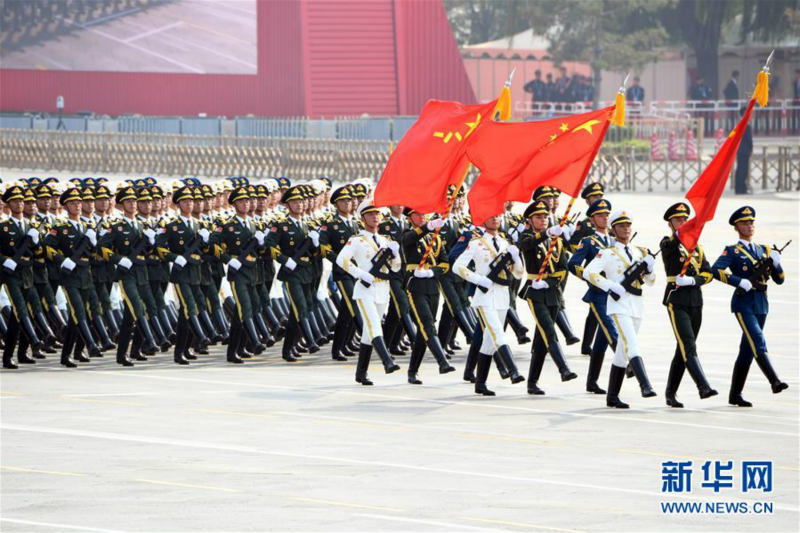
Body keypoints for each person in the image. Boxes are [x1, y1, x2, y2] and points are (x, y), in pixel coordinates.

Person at [711, 206, 788, 407]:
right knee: (757, 340)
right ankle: (774, 380)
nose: (750, 226)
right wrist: (738, 281)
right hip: (743, 303)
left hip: (761, 303)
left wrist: (777, 265)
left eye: (752, 222)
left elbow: (779, 280)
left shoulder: (765, 250)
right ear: (737, 226)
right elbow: (715, 270)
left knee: (747, 349)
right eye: (745, 223)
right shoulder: (732, 250)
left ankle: (735, 394)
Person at [583, 210, 657, 408]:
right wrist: (609, 286)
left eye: (628, 225)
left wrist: (649, 269)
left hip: (637, 305)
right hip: (618, 305)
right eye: (621, 226)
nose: (626, 229)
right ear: (613, 229)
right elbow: (588, 272)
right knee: (631, 344)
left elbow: (651, 282)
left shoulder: (641, 252)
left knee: (622, 353)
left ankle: (612, 396)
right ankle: (645, 385)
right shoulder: (608, 253)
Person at [453, 213, 526, 396]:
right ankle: (513, 370)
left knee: (488, 342)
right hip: (484, 297)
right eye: (491, 216)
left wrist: (516, 259)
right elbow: (457, 266)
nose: (495, 219)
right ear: (483, 219)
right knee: (496, 332)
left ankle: (480, 383)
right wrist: (478, 279)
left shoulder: (504, 243)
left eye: (497, 216)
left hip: (502, 296)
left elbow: (518, 274)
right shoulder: (477, 243)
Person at [335, 199, 401, 385]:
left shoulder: (385, 241)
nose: (375, 217)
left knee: (368, 332)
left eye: (377, 214)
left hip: (382, 288)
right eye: (370, 214)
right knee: (373, 325)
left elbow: (395, 269)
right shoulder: (356, 240)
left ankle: (361, 373)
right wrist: (361, 274)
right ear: (363, 218)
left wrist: (396, 255)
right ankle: (387, 361)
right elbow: (342, 261)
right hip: (364, 289)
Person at [659, 202, 718, 407]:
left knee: (682, 349)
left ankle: (670, 393)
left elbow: (708, 273)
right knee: (688, 346)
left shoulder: (697, 248)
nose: (682, 222)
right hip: (677, 301)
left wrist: (694, 280)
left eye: (685, 219)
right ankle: (703, 386)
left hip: (696, 300)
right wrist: (684, 233)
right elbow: (673, 246)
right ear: (671, 224)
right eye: (678, 220)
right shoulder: (668, 243)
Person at [517, 200, 577, 395]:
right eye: (538, 217)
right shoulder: (527, 236)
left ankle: (532, 383)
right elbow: (526, 245)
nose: (542, 220)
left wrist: (551, 283)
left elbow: (562, 268)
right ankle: (564, 369)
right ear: (530, 220)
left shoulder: (556, 241)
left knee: (541, 340)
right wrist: (546, 234)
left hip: (552, 291)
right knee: (549, 331)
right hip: (535, 292)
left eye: (545, 217)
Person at [567, 199, 617, 394]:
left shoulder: (614, 241)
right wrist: (590, 278)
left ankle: (592, 382)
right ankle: (629, 363)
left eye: (606, 215)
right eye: (600, 215)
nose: (604, 218)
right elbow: (573, 264)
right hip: (598, 294)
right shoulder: (588, 241)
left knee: (602, 340)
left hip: (614, 294)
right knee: (611, 330)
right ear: (592, 219)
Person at [401, 209, 456, 385]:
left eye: (424, 214)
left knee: (425, 330)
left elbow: (445, 264)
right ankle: (442, 362)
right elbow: (409, 240)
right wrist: (428, 227)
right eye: (417, 214)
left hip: (432, 286)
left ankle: (412, 371)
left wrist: (432, 271)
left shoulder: (436, 238)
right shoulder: (408, 235)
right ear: (410, 218)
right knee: (427, 324)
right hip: (415, 286)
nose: (422, 216)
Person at [735, 105, 753, 194]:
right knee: (743, 170)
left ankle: (738, 188)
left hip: (739, 150)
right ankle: (742, 189)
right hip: (745, 151)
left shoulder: (739, 124)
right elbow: (749, 140)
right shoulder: (747, 125)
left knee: (739, 169)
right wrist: (751, 149)